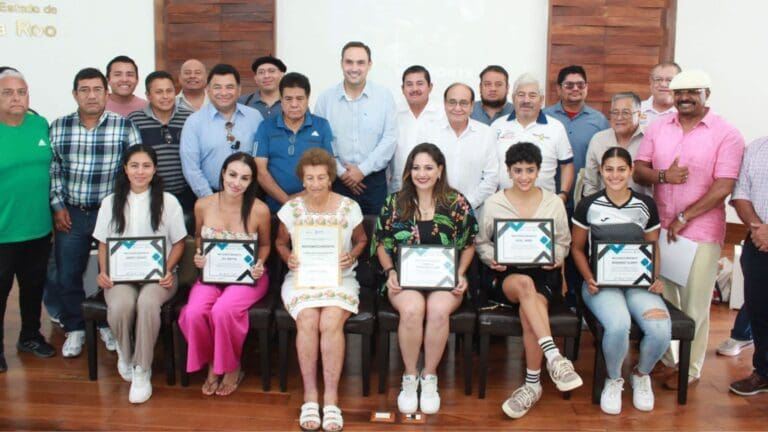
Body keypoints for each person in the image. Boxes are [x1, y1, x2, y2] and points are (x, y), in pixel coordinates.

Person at [634, 69, 745, 389]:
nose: (685, 97)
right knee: (666, 299)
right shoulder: (658, 127)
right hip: (661, 229)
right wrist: (664, 177)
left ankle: (691, 368)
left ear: (706, 93)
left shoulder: (727, 134)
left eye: (692, 92)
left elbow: (723, 185)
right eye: (680, 92)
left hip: (701, 232)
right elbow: (641, 170)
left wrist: (685, 216)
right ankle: (669, 360)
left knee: (695, 303)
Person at [475, 142, 582, 419]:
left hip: (543, 272)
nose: (524, 176)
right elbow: (481, 242)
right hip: (505, 274)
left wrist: (556, 257)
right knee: (523, 285)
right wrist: (490, 258)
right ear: (509, 171)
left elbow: (563, 242)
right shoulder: (494, 203)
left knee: (529, 306)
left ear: (539, 171)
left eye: (530, 170)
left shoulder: (553, 203)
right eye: (518, 170)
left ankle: (532, 385)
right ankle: (555, 357)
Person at [373, 143, 478, 415]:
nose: (422, 173)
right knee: (411, 310)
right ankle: (410, 377)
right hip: (402, 279)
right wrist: (390, 271)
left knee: (439, 310)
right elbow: (381, 244)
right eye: (416, 167)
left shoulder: (456, 202)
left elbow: (469, 244)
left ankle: (429, 377)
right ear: (408, 171)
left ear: (440, 170)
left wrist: (461, 273)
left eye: (429, 167)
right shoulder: (394, 202)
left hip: (445, 279)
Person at [49, 67, 142, 357]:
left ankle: (105, 324)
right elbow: (53, 170)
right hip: (72, 213)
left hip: (111, 213)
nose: (91, 95)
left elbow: (136, 169)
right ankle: (74, 328)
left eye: (97, 89)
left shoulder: (123, 126)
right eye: (84, 90)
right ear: (75, 94)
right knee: (69, 272)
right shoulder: (59, 126)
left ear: (106, 93)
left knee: (111, 272)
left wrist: (125, 210)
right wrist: (58, 205)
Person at [571, 146, 670, 415]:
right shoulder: (588, 204)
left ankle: (640, 374)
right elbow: (577, 249)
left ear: (631, 171)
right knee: (617, 326)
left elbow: (653, 247)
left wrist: (655, 277)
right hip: (600, 284)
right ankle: (614, 379)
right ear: (601, 171)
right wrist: (589, 278)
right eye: (609, 169)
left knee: (661, 330)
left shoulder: (645, 205)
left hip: (639, 283)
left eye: (621, 169)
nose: (615, 175)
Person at [275, 148, 366, 432]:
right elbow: (280, 243)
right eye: (310, 178)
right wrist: (287, 257)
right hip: (302, 278)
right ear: (302, 180)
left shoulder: (349, 207)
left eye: (321, 177)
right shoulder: (290, 209)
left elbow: (362, 240)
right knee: (308, 319)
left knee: (328, 321)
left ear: (331, 179)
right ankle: (311, 396)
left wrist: (352, 256)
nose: (315, 183)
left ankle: (332, 397)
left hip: (340, 278)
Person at [92, 145, 187, 403]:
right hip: (120, 276)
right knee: (121, 305)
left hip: (160, 277)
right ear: (125, 168)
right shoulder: (110, 202)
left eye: (146, 166)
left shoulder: (169, 202)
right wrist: (103, 272)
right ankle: (126, 352)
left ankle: (142, 369)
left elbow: (179, 242)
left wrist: (168, 270)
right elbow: (102, 242)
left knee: (147, 303)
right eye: (134, 165)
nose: (140, 171)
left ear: (155, 169)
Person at [178, 152, 270, 397]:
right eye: (232, 174)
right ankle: (212, 362)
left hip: (248, 276)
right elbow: (199, 237)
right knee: (193, 312)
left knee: (223, 310)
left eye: (244, 178)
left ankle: (230, 366)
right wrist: (199, 254)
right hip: (211, 274)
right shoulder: (203, 204)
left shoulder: (260, 210)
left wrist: (260, 263)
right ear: (222, 173)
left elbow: (265, 245)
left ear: (252, 182)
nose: (236, 182)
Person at [0, 69, 56, 372]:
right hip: (2, 232)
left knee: (34, 288)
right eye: (7, 92)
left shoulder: (39, 125)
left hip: (37, 228)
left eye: (21, 92)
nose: (16, 98)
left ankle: (30, 336)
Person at [314, 41, 397, 215]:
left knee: (375, 235)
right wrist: (343, 173)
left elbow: (389, 138)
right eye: (349, 62)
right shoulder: (325, 99)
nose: (354, 68)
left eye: (360, 63)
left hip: (374, 182)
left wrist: (362, 170)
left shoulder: (384, 96)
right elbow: (320, 142)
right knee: (339, 237)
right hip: (337, 180)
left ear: (369, 65)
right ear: (341, 63)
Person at [180, 63, 263, 198]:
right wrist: (210, 199)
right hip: (210, 194)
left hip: (249, 195)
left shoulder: (255, 117)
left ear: (239, 90)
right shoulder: (194, 122)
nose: (223, 93)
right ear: (208, 90)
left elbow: (261, 158)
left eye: (229, 87)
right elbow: (191, 169)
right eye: (217, 87)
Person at [255, 72, 334, 212]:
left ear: (308, 99)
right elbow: (260, 171)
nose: (294, 104)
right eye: (288, 99)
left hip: (313, 205)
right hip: (274, 207)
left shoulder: (322, 126)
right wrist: (286, 201)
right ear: (281, 99)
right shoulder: (265, 127)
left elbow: (330, 169)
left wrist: (301, 199)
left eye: (299, 99)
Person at [728, 136, 768, 396]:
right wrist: (759, 229)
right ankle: (764, 372)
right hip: (759, 242)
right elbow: (740, 195)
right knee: (760, 311)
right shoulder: (756, 149)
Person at [492, 73, 574, 198]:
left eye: (532, 95)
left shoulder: (556, 127)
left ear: (541, 100)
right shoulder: (497, 126)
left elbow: (566, 165)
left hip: (545, 205)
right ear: (513, 98)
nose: (526, 100)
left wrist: (563, 195)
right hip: (505, 204)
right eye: (521, 95)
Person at [419, 82, 498, 209]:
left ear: (472, 106)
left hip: (474, 211)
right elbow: (421, 172)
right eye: (452, 102)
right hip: (434, 209)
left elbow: (491, 177)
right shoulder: (429, 132)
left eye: (463, 103)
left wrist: (466, 204)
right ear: (444, 104)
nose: (457, 108)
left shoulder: (486, 134)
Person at [127, 71, 195, 216]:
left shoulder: (189, 118)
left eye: (169, 91)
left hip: (185, 195)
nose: (165, 96)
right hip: (149, 195)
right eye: (159, 92)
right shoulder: (134, 120)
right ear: (148, 95)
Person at [389, 65, 444, 194]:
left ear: (430, 87)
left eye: (420, 84)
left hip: (435, 188)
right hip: (400, 188)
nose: (414, 89)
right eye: (409, 84)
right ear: (402, 89)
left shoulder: (443, 113)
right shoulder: (393, 113)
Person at [583, 92, 651, 197]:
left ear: (639, 114)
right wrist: (592, 207)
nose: (619, 117)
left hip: (640, 207)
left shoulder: (649, 139)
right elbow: (590, 182)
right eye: (615, 112)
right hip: (604, 208)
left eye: (625, 112)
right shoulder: (598, 140)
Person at [238, 55, 286, 120]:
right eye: (261, 72)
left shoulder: (292, 102)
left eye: (271, 71)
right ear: (255, 78)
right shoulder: (242, 102)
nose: (266, 76)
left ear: (282, 75)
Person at [640, 62, 681, 128]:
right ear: (651, 82)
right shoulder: (635, 111)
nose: (663, 84)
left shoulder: (686, 114)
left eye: (669, 80)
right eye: (658, 79)